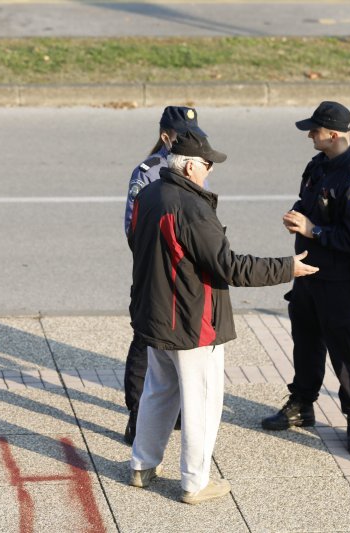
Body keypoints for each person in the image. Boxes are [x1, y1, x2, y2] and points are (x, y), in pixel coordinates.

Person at [127, 130, 318, 504]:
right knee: (201, 400)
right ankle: (195, 483)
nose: (211, 169)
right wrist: (286, 268)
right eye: (207, 163)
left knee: (158, 390)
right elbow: (230, 267)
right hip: (190, 320)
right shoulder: (192, 209)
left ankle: (142, 465)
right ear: (190, 165)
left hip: (154, 314)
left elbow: (138, 243)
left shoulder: (150, 194)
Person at [260, 101, 350, 455]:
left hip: (340, 280)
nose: (310, 135)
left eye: (315, 130)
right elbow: (309, 201)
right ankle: (302, 403)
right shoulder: (319, 165)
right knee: (306, 341)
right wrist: (297, 215)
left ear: (333, 134)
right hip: (307, 274)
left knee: (346, 351)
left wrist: (313, 231)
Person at [122, 106, 206, 445]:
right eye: (181, 136)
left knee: (181, 342)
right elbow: (133, 227)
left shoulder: (194, 162)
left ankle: (177, 411)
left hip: (185, 274)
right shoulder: (146, 173)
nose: (189, 141)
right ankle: (136, 414)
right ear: (165, 136)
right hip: (155, 273)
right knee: (146, 342)